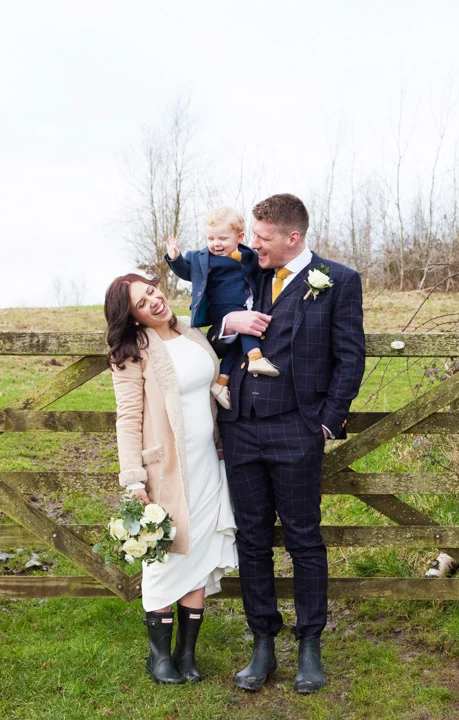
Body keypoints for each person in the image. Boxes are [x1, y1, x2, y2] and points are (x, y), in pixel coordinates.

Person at [212, 193, 365, 694]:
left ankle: (309, 645)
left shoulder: (338, 280)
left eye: (262, 237)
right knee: (252, 538)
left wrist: (326, 424)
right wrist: (228, 324)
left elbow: (350, 357)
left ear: (292, 237)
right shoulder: (246, 273)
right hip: (241, 426)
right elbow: (207, 322)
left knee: (303, 538)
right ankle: (262, 643)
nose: (253, 244)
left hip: (297, 430)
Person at [105, 273, 238, 684]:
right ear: (133, 317)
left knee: (199, 552)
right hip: (165, 470)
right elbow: (128, 418)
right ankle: (159, 657)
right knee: (164, 558)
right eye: (142, 304)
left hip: (207, 463)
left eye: (152, 292)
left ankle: (187, 653)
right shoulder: (134, 352)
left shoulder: (192, 333)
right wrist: (134, 480)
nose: (155, 302)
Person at [165, 206, 278, 411]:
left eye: (222, 238)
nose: (216, 243)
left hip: (243, 304)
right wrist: (175, 258)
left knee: (235, 347)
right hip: (220, 307)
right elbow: (187, 272)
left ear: (239, 237)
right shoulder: (202, 258)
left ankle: (221, 383)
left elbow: (261, 272)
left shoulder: (249, 255)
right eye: (211, 238)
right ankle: (255, 357)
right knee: (245, 322)